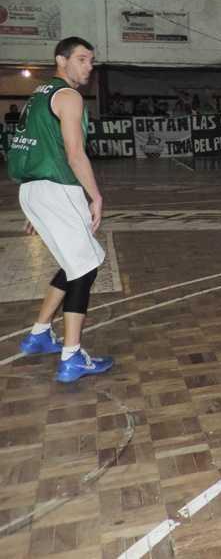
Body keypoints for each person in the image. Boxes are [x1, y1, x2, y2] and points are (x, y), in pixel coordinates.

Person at [8, 37, 113, 383]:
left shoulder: (39, 95)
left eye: (91, 60)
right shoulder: (68, 96)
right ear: (61, 60)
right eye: (82, 59)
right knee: (84, 269)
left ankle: (40, 333)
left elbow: (33, 147)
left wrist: (37, 206)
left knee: (74, 263)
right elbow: (74, 153)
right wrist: (95, 195)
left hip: (34, 188)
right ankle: (71, 357)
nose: (89, 66)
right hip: (56, 188)